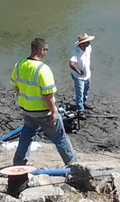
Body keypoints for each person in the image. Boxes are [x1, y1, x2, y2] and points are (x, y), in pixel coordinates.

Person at [11, 37, 78, 167]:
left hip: (27, 110)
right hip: (43, 112)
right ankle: (73, 165)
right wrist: (53, 111)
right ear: (41, 50)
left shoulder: (19, 65)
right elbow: (48, 94)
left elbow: (16, 86)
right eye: (46, 50)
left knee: (27, 135)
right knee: (60, 138)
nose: (46, 52)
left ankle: (18, 163)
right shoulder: (43, 69)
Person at [69, 32, 95, 113]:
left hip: (87, 75)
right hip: (79, 77)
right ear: (82, 43)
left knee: (86, 90)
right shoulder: (76, 52)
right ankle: (80, 110)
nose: (89, 43)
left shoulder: (89, 48)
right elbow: (71, 64)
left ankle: (84, 103)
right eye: (87, 41)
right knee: (79, 93)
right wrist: (78, 71)